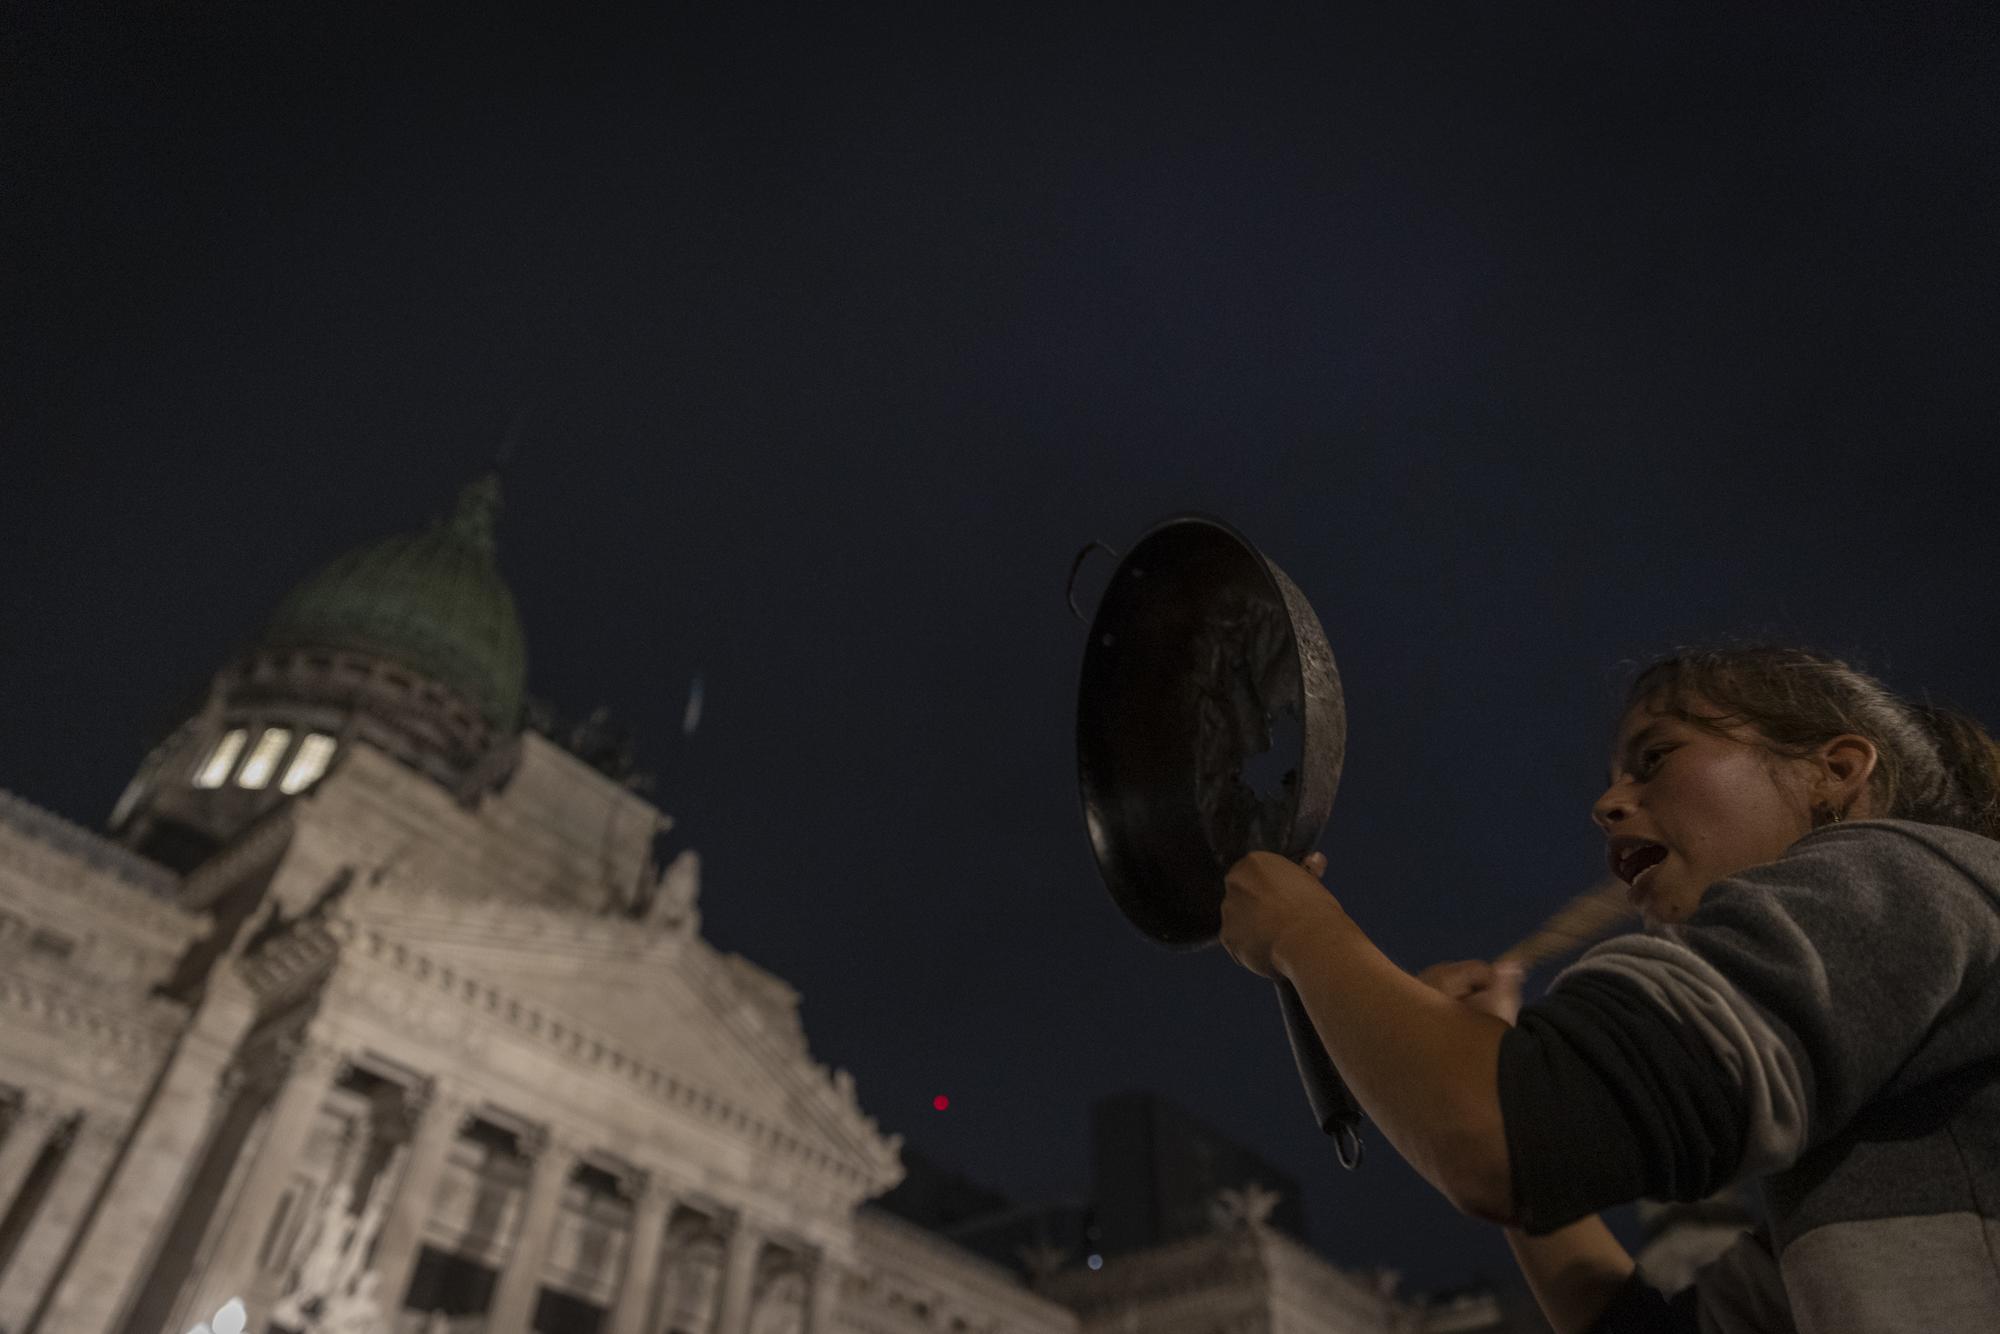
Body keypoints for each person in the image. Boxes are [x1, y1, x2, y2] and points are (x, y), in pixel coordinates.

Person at [1218, 645, 2000, 1333]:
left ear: (1833, 772)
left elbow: (1502, 1136)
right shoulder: (1858, 1157)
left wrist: (1305, 934)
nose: (1606, 806)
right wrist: (1496, 1067)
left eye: (1655, 758)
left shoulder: (1900, 879)